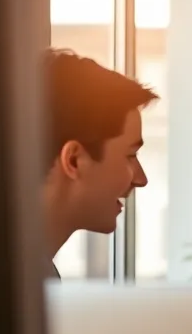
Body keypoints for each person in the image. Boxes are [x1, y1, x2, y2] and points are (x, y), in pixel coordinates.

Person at [43, 49, 156, 278]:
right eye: (130, 156)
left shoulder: (30, 275)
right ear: (74, 160)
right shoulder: (6, 283)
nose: (141, 179)